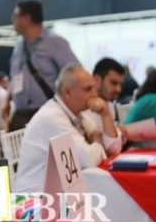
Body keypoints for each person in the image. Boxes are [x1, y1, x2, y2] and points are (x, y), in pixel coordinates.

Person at [13, 64, 121, 193]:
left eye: (94, 88)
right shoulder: (52, 117)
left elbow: (113, 149)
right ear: (68, 92)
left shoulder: (76, 113)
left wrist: (105, 114)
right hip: (34, 199)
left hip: (59, 194)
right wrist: (97, 139)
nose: (94, 94)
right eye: (88, 89)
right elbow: (89, 160)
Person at [7, 0, 79, 131]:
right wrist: (6, 101)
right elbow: (15, 78)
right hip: (21, 115)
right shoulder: (18, 48)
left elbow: (75, 75)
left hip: (49, 113)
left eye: (15, 16)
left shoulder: (56, 43)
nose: (13, 21)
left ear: (26, 18)